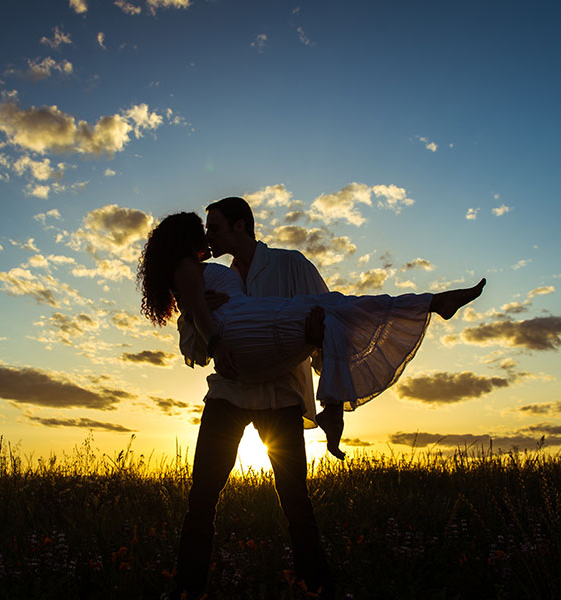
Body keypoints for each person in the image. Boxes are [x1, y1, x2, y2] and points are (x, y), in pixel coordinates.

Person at [138, 202, 485, 598]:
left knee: (296, 503)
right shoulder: (213, 278)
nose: (207, 238)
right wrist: (202, 322)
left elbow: (326, 317)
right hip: (229, 395)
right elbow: (195, 352)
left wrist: (329, 382)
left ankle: (316, 588)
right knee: (201, 497)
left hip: (281, 396)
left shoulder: (292, 265)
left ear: (240, 226)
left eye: (214, 229)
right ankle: (188, 589)